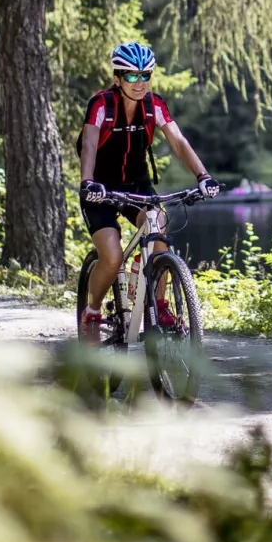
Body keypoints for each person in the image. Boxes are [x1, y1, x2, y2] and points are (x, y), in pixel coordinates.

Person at [78, 41, 220, 341]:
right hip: (99, 188)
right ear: (118, 78)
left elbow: (178, 141)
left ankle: (159, 303)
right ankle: (92, 311)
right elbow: (89, 143)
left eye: (146, 75)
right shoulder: (102, 105)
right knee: (112, 255)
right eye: (131, 76)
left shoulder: (154, 105)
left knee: (159, 228)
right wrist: (87, 181)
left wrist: (203, 176)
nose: (140, 82)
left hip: (136, 184)